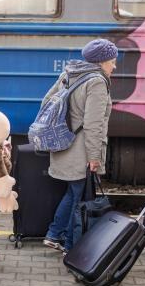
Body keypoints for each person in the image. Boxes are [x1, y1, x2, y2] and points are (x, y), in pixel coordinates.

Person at [42, 38, 116, 254]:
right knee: (80, 197)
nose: (114, 66)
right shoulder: (97, 82)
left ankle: (54, 234)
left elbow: (46, 101)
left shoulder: (70, 74)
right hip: (81, 150)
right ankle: (71, 244)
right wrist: (94, 157)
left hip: (64, 143)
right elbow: (94, 124)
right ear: (101, 62)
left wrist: (67, 124)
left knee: (73, 193)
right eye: (112, 61)